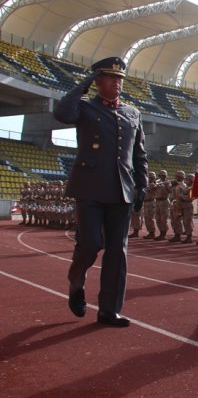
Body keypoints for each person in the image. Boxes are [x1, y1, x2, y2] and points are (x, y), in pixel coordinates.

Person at [53, 56, 148, 327]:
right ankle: (76, 278)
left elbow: (139, 154)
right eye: (111, 77)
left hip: (123, 191)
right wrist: (82, 85)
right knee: (92, 243)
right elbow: (62, 114)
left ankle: (109, 309)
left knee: (117, 251)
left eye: (120, 79)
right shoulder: (83, 108)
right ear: (97, 80)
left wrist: (142, 185)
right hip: (90, 188)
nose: (117, 83)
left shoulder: (132, 113)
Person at [168, 171, 186, 242]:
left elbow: (184, 191)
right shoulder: (174, 185)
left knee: (177, 220)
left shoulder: (183, 185)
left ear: (181, 177)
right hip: (173, 204)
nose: (176, 178)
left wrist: (178, 184)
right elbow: (169, 191)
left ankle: (178, 235)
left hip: (179, 204)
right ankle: (176, 234)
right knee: (173, 220)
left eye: (177, 176)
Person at [153, 169, 170, 240]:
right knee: (158, 218)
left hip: (164, 201)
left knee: (163, 218)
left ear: (165, 176)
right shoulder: (157, 182)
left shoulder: (167, 183)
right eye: (159, 176)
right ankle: (161, 232)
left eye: (162, 176)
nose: (160, 177)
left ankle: (163, 234)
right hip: (157, 201)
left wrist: (166, 186)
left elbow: (170, 191)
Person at [142, 171, 157, 239]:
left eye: (151, 177)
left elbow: (151, 188)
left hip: (151, 202)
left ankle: (152, 232)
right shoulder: (147, 184)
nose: (149, 178)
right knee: (147, 218)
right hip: (146, 202)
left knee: (150, 218)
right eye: (149, 177)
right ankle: (150, 232)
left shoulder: (153, 185)